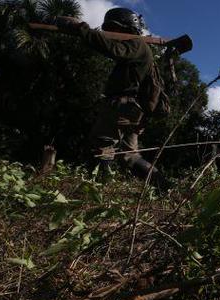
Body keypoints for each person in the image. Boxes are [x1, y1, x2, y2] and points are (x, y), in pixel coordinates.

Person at [56, 8, 168, 188]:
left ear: (126, 28)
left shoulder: (137, 44)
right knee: (130, 156)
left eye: (115, 29)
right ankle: (164, 186)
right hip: (132, 109)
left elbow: (113, 49)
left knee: (101, 146)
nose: (113, 33)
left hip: (122, 106)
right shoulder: (138, 48)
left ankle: (98, 191)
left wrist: (81, 28)